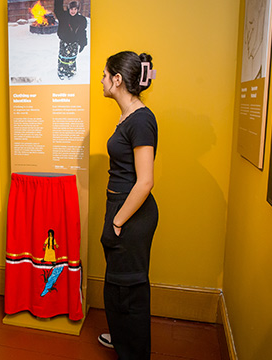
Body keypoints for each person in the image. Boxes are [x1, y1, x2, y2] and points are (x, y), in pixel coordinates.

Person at [97, 51, 158, 360]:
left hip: (132, 213)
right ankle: (122, 338)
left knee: (130, 288)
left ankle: (134, 352)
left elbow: (144, 182)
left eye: (106, 75)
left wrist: (118, 221)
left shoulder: (142, 119)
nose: (102, 80)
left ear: (117, 80)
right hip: (121, 207)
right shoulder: (128, 116)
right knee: (117, 284)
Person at [54, 0, 87, 80]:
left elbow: (82, 32)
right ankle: (61, 71)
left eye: (75, 9)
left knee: (72, 59)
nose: (73, 11)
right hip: (64, 42)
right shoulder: (63, 16)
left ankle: (70, 72)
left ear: (77, 10)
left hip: (74, 43)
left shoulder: (81, 20)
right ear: (68, 9)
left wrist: (83, 43)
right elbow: (57, 8)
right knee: (63, 57)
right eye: (71, 9)